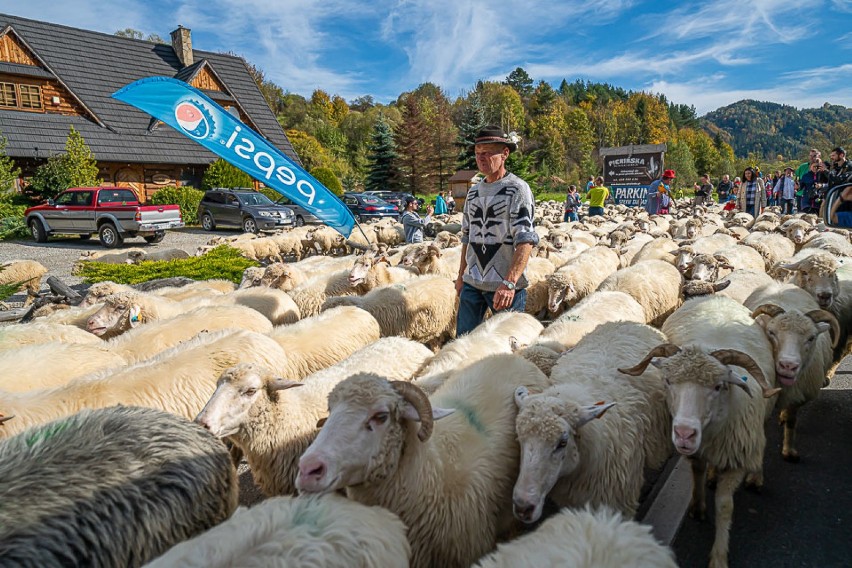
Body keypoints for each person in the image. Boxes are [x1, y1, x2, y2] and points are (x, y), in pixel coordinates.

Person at [455, 125, 538, 336]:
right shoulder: (473, 193)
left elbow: (525, 239)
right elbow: (467, 237)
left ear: (505, 154)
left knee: (508, 345)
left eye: (488, 153)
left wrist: (510, 281)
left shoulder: (517, 189)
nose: (481, 158)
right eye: (477, 154)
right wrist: (460, 276)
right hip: (472, 282)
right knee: (463, 343)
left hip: (504, 286)